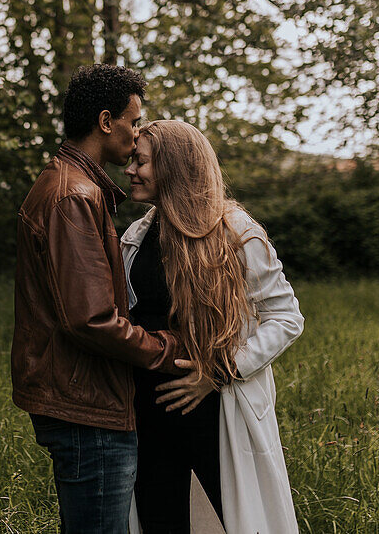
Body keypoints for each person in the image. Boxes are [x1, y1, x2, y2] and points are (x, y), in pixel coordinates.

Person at [11, 65, 187, 534]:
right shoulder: (73, 196)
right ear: (106, 121)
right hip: (88, 408)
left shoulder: (73, 186)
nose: (136, 135)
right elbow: (91, 320)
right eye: (133, 122)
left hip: (84, 400)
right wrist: (172, 350)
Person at [122, 120, 304, 534]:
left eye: (141, 161)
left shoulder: (236, 232)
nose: (130, 170)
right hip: (147, 411)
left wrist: (217, 374)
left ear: (174, 168)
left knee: (236, 519)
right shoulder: (136, 235)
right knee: (158, 519)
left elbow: (286, 317)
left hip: (216, 406)